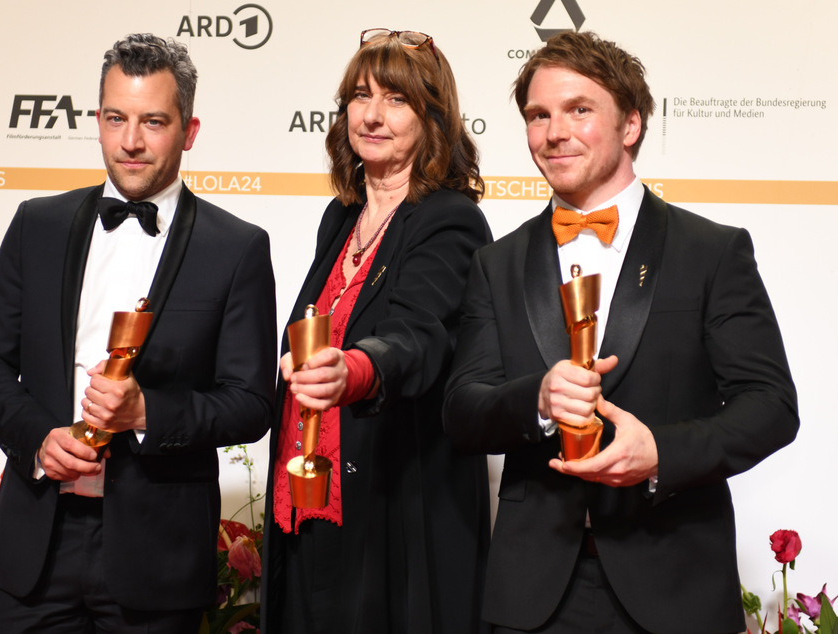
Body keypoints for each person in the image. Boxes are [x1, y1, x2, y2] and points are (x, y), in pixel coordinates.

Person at [443, 30, 798, 634]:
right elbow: (461, 411)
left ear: (630, 125)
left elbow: (771, 408)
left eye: (580, 110)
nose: (555, 132)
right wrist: (535, 398)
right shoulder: (494, 263)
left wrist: (661, 452)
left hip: (678, 585)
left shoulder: (712, 251)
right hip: (534, 597)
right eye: (538, 115)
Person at [0, 33, 276, 632]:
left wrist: (145, 413)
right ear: (97, 119)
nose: (130, 141)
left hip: (157, 558)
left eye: (153, 121)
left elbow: (251, 403)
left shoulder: (236, 249)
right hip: (37, 546)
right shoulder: (37, 225)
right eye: (115, 118)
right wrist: (38, 439)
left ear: (190, 129)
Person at [261, 28, 492, 634]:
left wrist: (354, 369)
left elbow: (419, 337)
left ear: (432, 117)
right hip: (309, 498)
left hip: (392, 505)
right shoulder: (340, 217)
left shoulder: (450, 219)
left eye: (396, 99)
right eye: (360, 96)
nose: (371, 114)